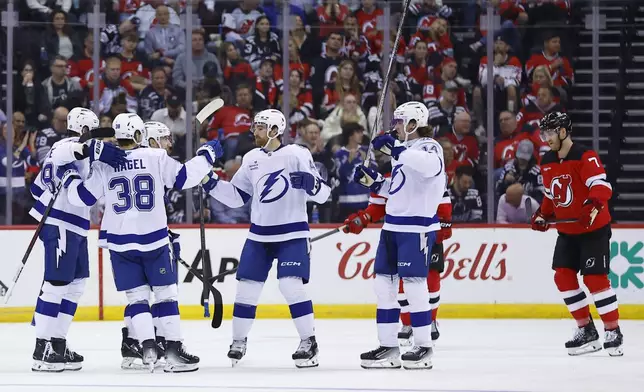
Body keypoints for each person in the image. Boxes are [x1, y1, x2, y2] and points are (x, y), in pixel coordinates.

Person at [58, 113, 223, 372]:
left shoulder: (104, 164)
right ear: (139, 135)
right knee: (166, 296)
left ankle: (146, 349)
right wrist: (206, 156)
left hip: (120, 243)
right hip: (154, 239)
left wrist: (68, 177)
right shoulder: (155, 157)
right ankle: (174, 352)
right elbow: (184, 179)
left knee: (137, 299)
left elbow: (81, 198)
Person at [202, 109, 331, 368]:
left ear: (274, 130)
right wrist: (210, 183)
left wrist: (312, 184)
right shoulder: (251, 158)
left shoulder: (297, 154)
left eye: (259, 127)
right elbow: (238, 196)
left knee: (290, 285)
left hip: (293, 233)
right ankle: (238, 341)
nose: (253, 131)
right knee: (246, 289)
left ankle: (309, 341)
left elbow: (323, 195)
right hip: (259, 234)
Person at [29, 107, 127, 372]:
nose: (94, 138)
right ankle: (42, 348)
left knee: (77, 283)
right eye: (92, 133)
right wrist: (92, 149)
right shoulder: (66, 146)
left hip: (75, 226)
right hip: (61, 223)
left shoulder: (70, 151)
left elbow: (36, 187)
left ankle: (57, 343)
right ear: (84, 130)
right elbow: (69, 152)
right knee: (57, 284)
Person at [352, 101, 446, 369]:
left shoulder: (430, 147)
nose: (394, 127)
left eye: (399, 121)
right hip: (392, 227)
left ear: (414, 123)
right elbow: (400, 187)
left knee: (416, 286)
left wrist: (396, 147)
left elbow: (427, 168)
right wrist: (376, 183)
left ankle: (424, 346)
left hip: (416, 227)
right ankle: (388, 346)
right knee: (383, 286)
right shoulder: (402, 152)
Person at [530, 112, 623, 357]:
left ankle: (613, 331)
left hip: (593, 230)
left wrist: (591, 206)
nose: (546, 137)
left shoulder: (585, 156)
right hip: (567, 231)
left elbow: (602, 187)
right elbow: (552, 195)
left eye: (550, 132)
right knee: (563, 277)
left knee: (595, 280)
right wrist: (543, 214)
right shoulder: (547, 161)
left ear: (563, 132)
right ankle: (586, 330)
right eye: (544, 133)